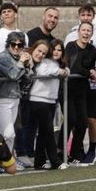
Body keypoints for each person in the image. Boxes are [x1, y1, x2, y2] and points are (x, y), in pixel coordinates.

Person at [63, 6, 96, 163]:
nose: (86, 17)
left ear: (93, 16)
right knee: (76, 119)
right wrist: (87, 72)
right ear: (79, 16)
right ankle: (74, 150)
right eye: (83, 14)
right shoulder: (71, 36)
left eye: (88, 14)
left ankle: (92, 150)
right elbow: (69, 60)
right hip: (77, 84)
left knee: (92, 119)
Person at [0, 32, 33, 164]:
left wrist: (27, 65)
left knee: (1, 133)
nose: (16, 47)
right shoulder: (3, 57)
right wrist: (21, 63)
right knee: (9, 134)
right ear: (8, 44)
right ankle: (7, 161)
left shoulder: (18, 58)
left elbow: (28, 78)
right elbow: (13, 75)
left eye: (20, 45)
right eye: (13, 44)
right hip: (1, 99)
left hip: (15, 98)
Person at [64, 22, 96, 164]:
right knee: (70, 119)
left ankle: (76, 153)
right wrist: (89, 74)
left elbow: (91, 67)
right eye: (83, 30)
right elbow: (74, 66)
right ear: (78, 32)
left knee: (83, 122)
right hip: (69, 88)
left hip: (83, 90)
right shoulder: (71, 46)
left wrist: (92, 72)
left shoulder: (93, 50)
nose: (85, 33)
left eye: (88, 30)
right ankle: (59, 150)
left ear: (91, 33)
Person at [28, 40, 66, 170]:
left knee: (44, 132)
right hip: (38, 99)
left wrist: (63, 70)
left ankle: (39, 162)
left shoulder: (59, 64)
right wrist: (59, 71)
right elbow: (42, 72)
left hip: (50, 101)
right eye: (54, 49)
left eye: (59, 50)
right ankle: (55, 161)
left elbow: (67, 71)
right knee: (49, 130)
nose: (56, 52)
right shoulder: (44, 62)